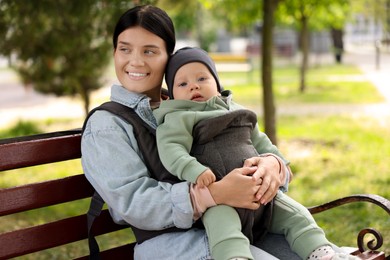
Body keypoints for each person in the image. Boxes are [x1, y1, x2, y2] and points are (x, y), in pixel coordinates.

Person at [80, 4, 350, 260]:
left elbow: (252, 141)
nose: (135, 61)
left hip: (241, 224)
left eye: (149, 51)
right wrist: (214, 194)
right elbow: (134, 202)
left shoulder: (190, 103)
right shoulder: (107, 124)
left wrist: (273, 166)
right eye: (124, 49)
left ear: (168, 58)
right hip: (171, 243)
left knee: (326, 252)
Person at [153, 47, 360, 260]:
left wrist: (277, 163)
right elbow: (171, 149)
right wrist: (193, 169)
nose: (193, 86)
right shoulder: (179, 118)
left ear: (217, 83)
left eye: (202, 78)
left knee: (297, 216)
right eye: (182, 84)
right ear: (173, 95)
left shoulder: (236, 111)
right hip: (222, 200)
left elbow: (262, 142)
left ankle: (322, 254)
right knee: (224, 232)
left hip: (262, 195)